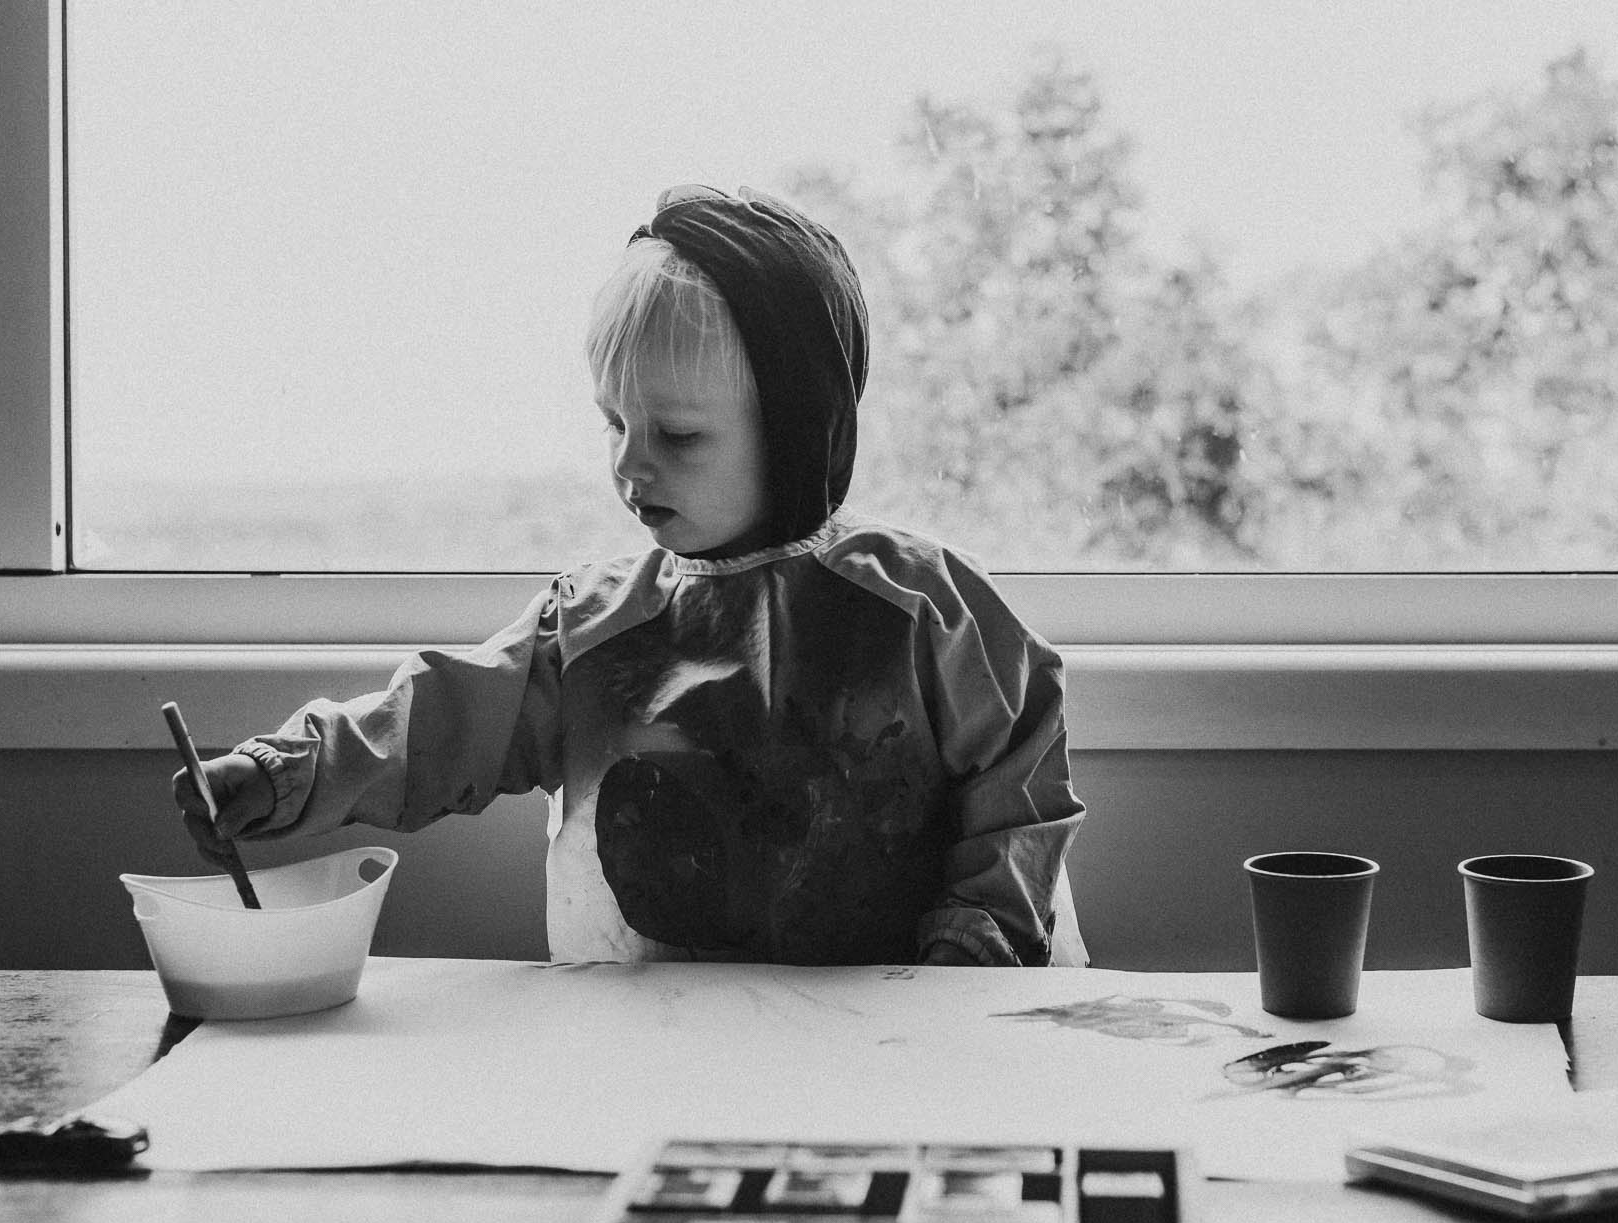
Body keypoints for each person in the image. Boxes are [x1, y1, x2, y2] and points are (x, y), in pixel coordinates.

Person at [174, 184, 1087, 967]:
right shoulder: (593, 625)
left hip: (896, 1049)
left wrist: (976, 943)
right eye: (615, 424)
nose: (630, 467)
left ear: (802, 429)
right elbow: (440, 723)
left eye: (678, 435)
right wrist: (284, 770)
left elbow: (1023, 787)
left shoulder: (928, 609)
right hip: (645, 1055)